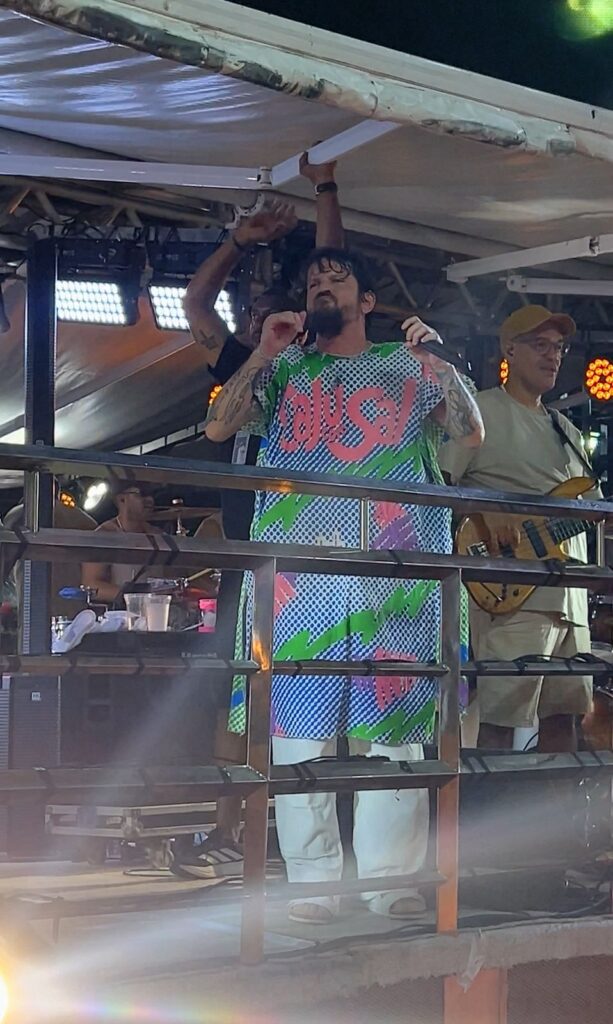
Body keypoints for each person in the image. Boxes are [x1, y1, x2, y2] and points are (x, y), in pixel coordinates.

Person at [206, 246, 483, 922]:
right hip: (301, 579)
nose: (322, 289)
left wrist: (438, 360)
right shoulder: (284, 369)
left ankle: (390, 883)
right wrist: (262, 351)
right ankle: (311, 885)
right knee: (296, 731)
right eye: (313, 284)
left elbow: (470, 432)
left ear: (367, 301)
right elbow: (218, 425)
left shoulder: (406, 363)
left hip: (396, 574)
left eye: (337, 280)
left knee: (396, 729)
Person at [172, 154, 346, 879]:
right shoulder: (247, 368)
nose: (259, 324)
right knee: (236, 696)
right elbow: (195, 307)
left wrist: (326, 189)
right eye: (252, 317)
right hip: (247, 562)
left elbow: (336, 270)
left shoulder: (321, 371)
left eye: (276, 315)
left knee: (310, 698)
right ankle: (229, 831)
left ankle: (299, 834)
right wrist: (238, 242)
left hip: (309, 561)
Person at [439, 304, 598, 754]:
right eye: (541, 345)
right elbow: (439, 487)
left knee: (565, 720)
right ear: (510, 349)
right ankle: (490, 799)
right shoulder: (481, 412)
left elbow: (589, 507)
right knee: (499, 720)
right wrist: (486, 510)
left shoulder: (566, 430)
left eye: (559, 348)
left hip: (570, 597)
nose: (553, 356)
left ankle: (555, 802)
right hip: (510, 592)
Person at [81, 480, 162, 604]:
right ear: (121, 499)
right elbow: (91, 585)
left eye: (152, 494)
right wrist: (137, 597)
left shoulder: (158, 535)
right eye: (142, 494)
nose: (150, 499)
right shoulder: (104, 536)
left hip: (157, 609)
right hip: (119, 612)